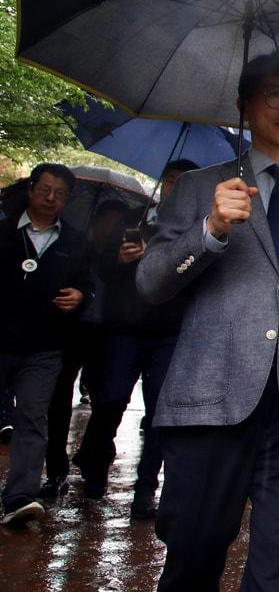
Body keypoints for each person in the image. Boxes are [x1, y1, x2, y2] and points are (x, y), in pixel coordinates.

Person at [136, 50, 279, 591]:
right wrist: (211, 229)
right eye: (275, 95)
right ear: (245, 105)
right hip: (211, 400)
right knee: (194, 553)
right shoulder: (199, 189)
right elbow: (151, 283)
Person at [73, 159, 199, 516]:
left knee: (160, 413)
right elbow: (102, 271)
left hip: (170, 333)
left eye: (185, 184)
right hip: (125, 330)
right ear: (162, 184)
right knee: (110, 399)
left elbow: (201, 276)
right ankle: (96, 460)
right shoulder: (134, 219)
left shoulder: (198, 228)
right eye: (172, 182)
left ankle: (146, 488)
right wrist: (121, 259)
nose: (177, 189)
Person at [0, 163, 90, 526]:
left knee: (33, 417)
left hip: (45, 345)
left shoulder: (74, 241)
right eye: (45, 190)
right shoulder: (4, 228)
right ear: (31, 188)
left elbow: (89, 283)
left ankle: (20, 496)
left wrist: (81, 295)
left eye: (61, 193)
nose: (51, 198)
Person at [41, 198, 125, 499]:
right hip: (71, 331)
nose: (110, 228)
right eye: (106, 221)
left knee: (108, 403)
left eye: (117, 223)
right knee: (59, 401)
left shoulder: (124, 255)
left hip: (109, 335)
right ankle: (56, 470)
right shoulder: (75, 248)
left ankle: (92, 460)